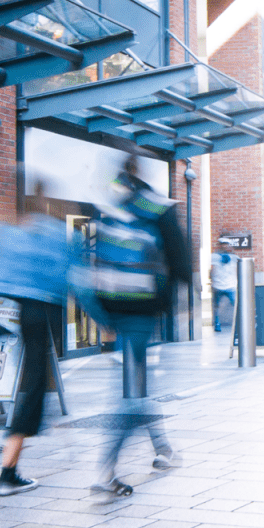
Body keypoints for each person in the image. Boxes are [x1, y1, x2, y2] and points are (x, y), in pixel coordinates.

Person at [82, 155, 192, 501]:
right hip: (143, 313)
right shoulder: (159, 207)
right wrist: (175, 302)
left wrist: (102, 316)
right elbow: (181, 261)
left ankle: (164, 448)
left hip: (115, 311)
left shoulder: (110, 207)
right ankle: (106, 470)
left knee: (139, 381)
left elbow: (93, 263)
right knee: (132, 393)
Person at [0, 185, 71, 496]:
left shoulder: (14, 232)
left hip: (23, 313)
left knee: (33, 387)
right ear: (44, 201)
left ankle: (10, 469)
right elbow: (67, 275)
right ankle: (7, 473)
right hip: (41, 314)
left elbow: (1, 274)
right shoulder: (51, 231)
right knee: (32, 390)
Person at [210, 252, 237, 332]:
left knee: (234, 304)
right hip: (220, 286)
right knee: (217, 306)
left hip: (227, 286)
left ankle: (239, 322)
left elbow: (212, 271)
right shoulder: (215, 257)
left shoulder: (233, 257)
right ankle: (217, 323)